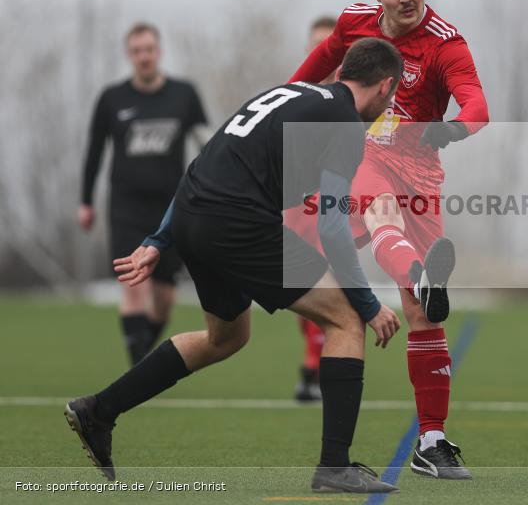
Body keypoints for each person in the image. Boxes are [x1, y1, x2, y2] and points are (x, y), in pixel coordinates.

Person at [64, 38, 404, 494]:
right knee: (345, 319)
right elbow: (333, 229)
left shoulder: (291, 93)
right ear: (385, 86)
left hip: (192, 215)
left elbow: (204, 161)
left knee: (226, 337)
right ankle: (334, 466)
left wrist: (161, 238)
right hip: (235, 221)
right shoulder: (344, 123)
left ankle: (98, 411)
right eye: (394, 94)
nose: (392, 103)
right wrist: (367, 304)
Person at [283, 0, 489, 480]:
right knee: (379, 213)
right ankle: (420, 276)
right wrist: (284, 112)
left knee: (422, 316)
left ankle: (433, 441)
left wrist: (445, 129)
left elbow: (478, 109)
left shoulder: (447, 44)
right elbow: (312, 71)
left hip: (421, 170)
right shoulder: (354, 22)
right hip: (362, 152)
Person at [79, 22, 207, 366]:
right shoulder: (112, 99)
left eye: (149, 50)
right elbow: (94, 152)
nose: (144, 57)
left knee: (164, 299)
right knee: (133, 287)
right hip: (126, 207)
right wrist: (86, 201)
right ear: (129, 55)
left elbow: (205, 144)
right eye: (137, 51)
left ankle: (141, 359)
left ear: (159, 52)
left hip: (171, 208)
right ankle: (136, 368)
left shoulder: (184, 94)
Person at [295, 15, 338, 403]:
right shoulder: (295, 97)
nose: (321, 52)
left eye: (329, 45)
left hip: (333, 205)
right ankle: (311, 367)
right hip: (294, 207)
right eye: (315, 46)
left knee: (327, 284)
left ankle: (315, 371)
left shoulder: (350, 99)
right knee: (301, 293)